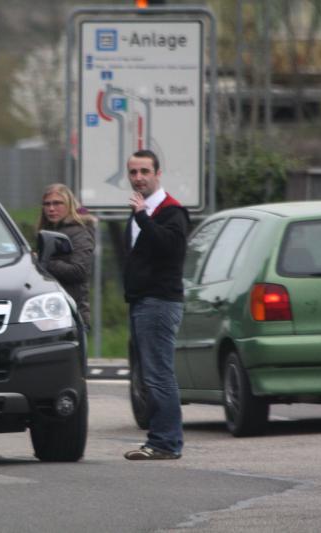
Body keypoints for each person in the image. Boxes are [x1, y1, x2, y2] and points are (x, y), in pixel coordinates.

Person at [121, 149, 190, 461]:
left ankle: (166, 441)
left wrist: (142, 218)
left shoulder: (170, 211)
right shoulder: (141, 211)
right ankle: (161, 439)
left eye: (144, 172)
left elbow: (170, 248)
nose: (138, 178)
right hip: (141, 302)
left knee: (160, 374)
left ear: (158, 174)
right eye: (133, 172)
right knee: (151, 374)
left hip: (160, 302)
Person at [36, 183, 96, 328]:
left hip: (72, 315)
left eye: (57, 203)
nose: (51, 208)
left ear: (69, 205)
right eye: (47, 204)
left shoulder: (80, 232)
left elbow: (79, 271)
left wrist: (43, 261)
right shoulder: (46, 231)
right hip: (48, 312)